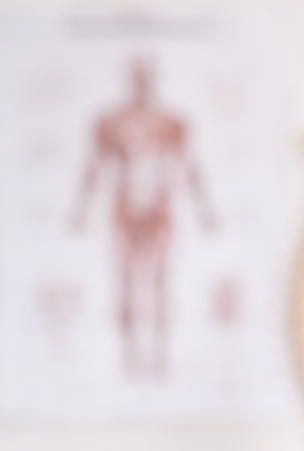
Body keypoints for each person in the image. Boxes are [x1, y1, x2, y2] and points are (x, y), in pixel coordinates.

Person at [73, 56, 216, 379]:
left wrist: (205, 210)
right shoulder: (110, 121)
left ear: (152, 78)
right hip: (124, 204)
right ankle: (129, 357)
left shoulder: (171, 121)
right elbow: (93, 167)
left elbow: (190, 165)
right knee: (125, 279)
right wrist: (80, 211)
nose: (140, 80)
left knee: (160, 279)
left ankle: (161, 356)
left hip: (159, 204)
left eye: (145, 75)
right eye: (135, 74)